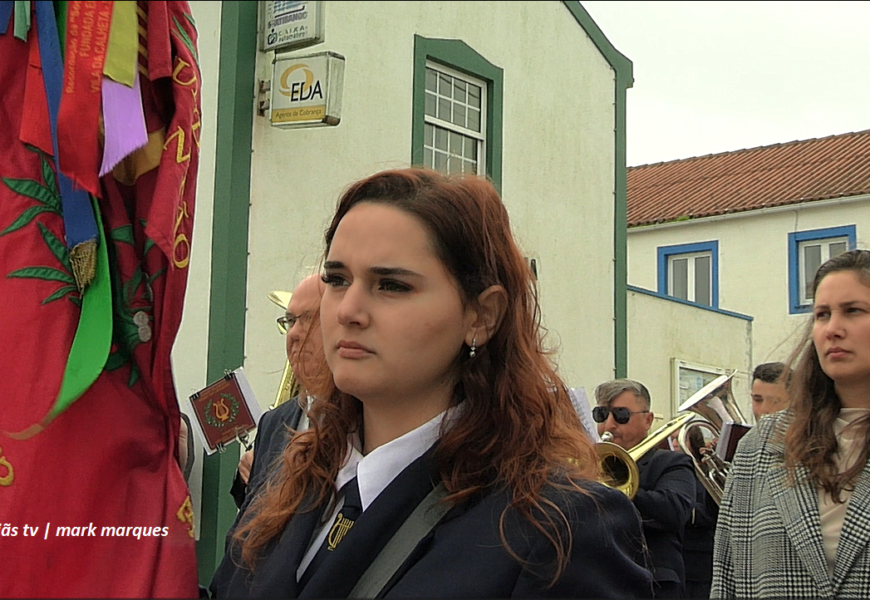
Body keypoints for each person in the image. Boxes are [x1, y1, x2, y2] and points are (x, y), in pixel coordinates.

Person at [210, 167, 653, 598]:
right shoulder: (290, 469)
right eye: (337, 279)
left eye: (392, 285)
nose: (348, 310)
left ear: (481, 316)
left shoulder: (560, 525)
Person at [712, 248, 870, 598]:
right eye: (822, 314)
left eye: (853, 311)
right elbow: (727, 579)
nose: (832, 329)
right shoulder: (763, 443)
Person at [229, 273, 326, 509]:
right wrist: (248, 476)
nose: (294, 334)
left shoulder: (368, 419)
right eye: (290, 321)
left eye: (309, 320)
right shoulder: (273, 422)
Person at [594, 379, 696, 598]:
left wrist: (613, 491)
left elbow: (674, 509)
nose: (609, 425)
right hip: (598, 582)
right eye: (601, 415)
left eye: (621, 415)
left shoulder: (671, 463)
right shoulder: (587, 464)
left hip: (653, 584)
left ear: (648, 419)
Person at [670, 429, 718, 599]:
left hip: (700, 560)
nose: (674, 443)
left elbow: (712, 512)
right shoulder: (670, 470)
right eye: (672, 439)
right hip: (680, 558)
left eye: (679, 438)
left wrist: (681, 509)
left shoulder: (705, 470)